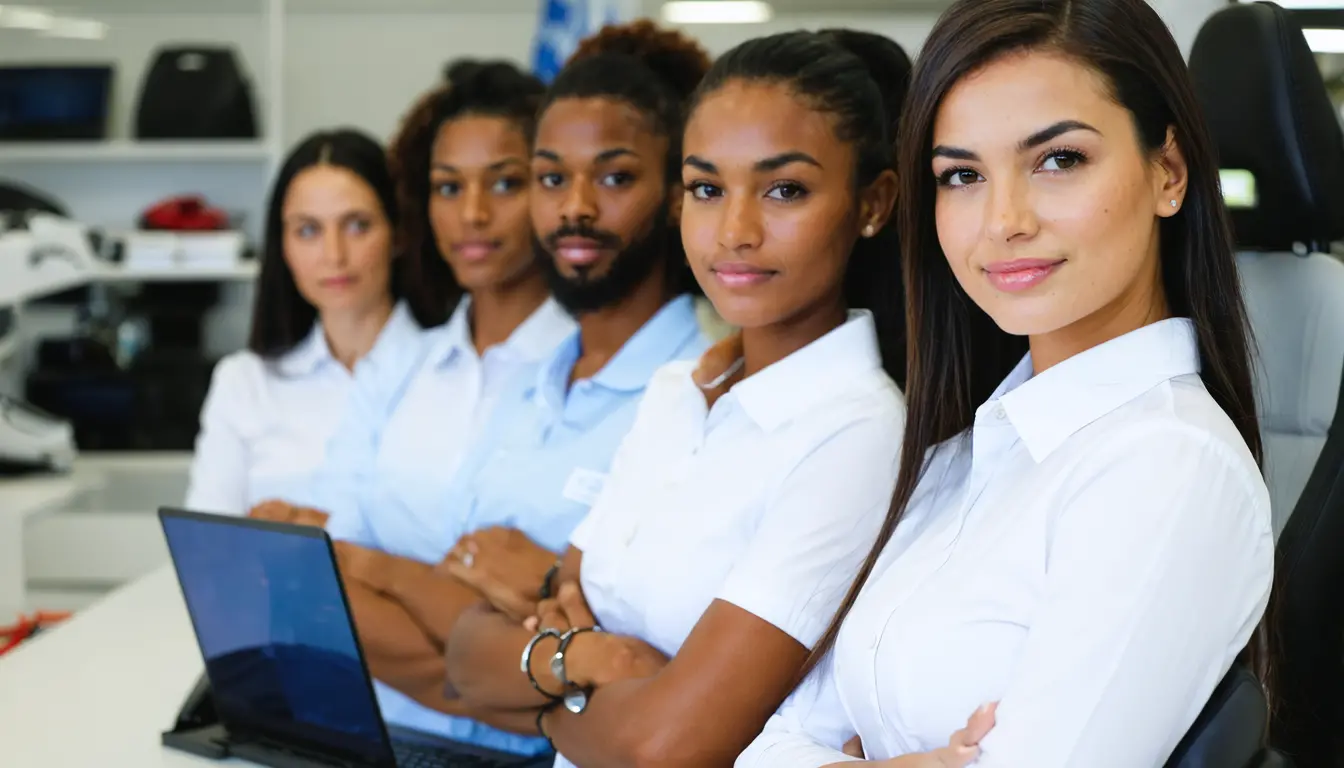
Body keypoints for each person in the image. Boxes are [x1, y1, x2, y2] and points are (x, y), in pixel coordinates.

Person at [737, 1, 1275, 766]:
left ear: (1169, 172)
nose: (1004, 219)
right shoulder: (962, 453)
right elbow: (771, 744)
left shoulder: (1168, 467)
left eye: (1059, 160)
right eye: (961, 175)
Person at [443, 29, 990, 768]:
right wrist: (596, 667)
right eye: (707, 189)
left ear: (873, 202)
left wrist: (548, 675)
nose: (735, 232)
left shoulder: (855, 431)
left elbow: (669, 747)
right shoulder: (679, 390)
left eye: (784, 190)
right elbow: (468, 655)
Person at [314, 23, 715, 757]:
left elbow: (647, 680)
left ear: (677, 195)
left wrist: (380, 572)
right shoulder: (532, 380)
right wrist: (520, 627)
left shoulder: (703, 388)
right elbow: (474, 634)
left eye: (616, 177)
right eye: (551, 178)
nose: (575, 208)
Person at [253, 61, 575, 529]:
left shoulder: (586, 363)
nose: (472, 214)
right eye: (448, 187)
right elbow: (333, 531)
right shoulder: (396, 367)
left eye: (505, 183)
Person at [185, 129, 430, 516]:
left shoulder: (454, 368)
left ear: (398, 234)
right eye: (308, 230)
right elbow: (209, 547)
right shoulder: (246, 383)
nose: (334, 255)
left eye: (357, 226)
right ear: (282, 245)